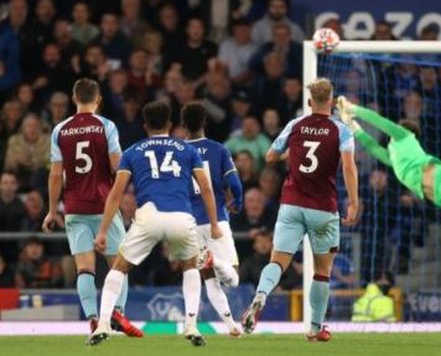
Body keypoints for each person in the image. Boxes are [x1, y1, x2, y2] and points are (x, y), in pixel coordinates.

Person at [88, 100, 222, 347]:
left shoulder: (132, 152)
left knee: (118, 267)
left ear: (144, 125)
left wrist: (103, 231)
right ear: (170, 124)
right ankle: (191, 325)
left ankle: (103, 323)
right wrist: (214, 224)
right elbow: (206, 188)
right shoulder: (187, 150)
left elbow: (116, 194)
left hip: (148, 216)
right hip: (181, 217)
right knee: (190, 266)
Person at [241, 78, 360, 342]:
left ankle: (260, 295)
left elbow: (270, 156)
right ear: (331, 101)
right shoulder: (341, 130)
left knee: (277, 261)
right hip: (323, 209)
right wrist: (353, 202)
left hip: (291, 205)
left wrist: (289, 154)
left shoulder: (295, 125)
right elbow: (349, 167)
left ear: (309, 102)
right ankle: (316, 327)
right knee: (321, 271)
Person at [42, 78, 140, 336]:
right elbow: (118, 167)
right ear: (98, 100)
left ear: (74, 99)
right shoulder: (106, 126)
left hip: (74, 207)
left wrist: (53, 210)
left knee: (84, 268)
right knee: (119, 265)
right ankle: (117, 313)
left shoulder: (60, 130)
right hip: (104, 205)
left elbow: (54, 175)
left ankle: (94, 319)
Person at [181, 102, 244, 337]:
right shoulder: (219, 149)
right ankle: (215, 261)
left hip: (188, 223)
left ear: (183, 125)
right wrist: (237, 202)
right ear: (204, 122)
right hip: (216, 217)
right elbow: (235, 184)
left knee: (208, 280)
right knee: (233, 278)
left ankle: (230, 326)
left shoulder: (178, 152)